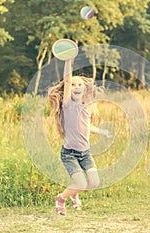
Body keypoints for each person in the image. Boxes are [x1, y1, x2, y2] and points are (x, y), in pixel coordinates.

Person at [48, 59, 111, 216]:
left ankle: (74, 193)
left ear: (85, 89)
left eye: (80, 85)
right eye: (74, 85)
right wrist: (68, 61)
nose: (76, 87)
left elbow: (86, 127)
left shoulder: (87, 107)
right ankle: (61, 199)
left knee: (94, 182)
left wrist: (102, 132)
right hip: (69, 154)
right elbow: (68, 80)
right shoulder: (67, 104)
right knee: (81, 183)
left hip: (85, 153)